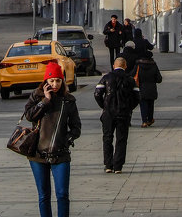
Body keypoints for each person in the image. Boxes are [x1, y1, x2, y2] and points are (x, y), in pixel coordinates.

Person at [24, 61, 81, 217]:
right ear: (46, 82)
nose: (55, 84)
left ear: (62, 81)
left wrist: (67, 139)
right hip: (37, 154)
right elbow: (29, 116)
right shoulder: (37, 96)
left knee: (62, 194)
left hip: (60, 154)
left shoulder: (68, 100)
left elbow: (76, 127)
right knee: (44, 196)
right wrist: (46, 100)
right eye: (51, 80)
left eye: (58, 80)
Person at [94, 57, 139, 174]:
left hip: (108, 113)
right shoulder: (130, 79)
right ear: (125, 66)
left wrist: (104, 106)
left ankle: (108, 165)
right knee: (122, 139)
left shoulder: (106, 78)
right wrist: (129, 107)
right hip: (123, 114)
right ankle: (118, 166)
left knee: (107, 137)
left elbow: (97, 93)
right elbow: (137, 97)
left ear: (114, 66)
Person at [130, 51, 163, 127]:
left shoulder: (138, 65)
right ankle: (150, 119)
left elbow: (132, 75)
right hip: (152, 88)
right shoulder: (154, 65)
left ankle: (144, 121)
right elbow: (159, 79)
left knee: (143, 105)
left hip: (141, 88)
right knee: (151, 104)